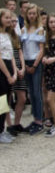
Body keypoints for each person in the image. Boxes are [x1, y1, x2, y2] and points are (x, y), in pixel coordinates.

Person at [19, 4, 45, 135]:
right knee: (30, 93)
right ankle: (35, 119)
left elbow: (41, 50)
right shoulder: (23, 30)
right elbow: (22, 49)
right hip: (26, 62)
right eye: (30, 13)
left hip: (36, 63)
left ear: (37, 15)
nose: (32, 15)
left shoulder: (40, 29)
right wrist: (25, 65)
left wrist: (34, 65)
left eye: (34, 13)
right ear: (26, 15)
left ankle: (39, 121)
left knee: (36, 93)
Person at [6, 13, 27, 137]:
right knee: (7, 99)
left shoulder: (16, 36)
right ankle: (9, 125)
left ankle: (16, 123)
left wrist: (22, 68)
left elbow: (20, 53)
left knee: (22, 98)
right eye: (11, 20)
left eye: (15, 21)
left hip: (19, 69)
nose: (13, 23)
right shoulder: (4, 35)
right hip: (9, 68)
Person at [0, 8, 17, 143]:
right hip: (2, 70)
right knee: (1, 101)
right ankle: (0, 131)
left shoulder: (7, 34)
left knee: (6, 101)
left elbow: (11, 55)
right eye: (6, 17)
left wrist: (15, 72)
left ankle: (3, 129)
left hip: (9, 69)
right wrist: (7, 75)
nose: (9, 20)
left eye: (10, 18)